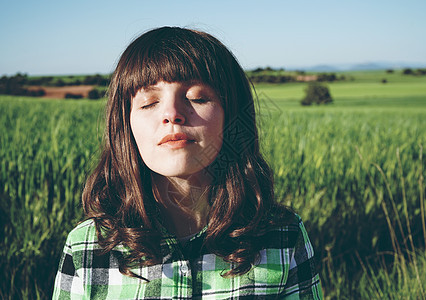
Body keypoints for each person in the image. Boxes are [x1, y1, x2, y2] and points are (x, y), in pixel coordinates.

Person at [52, 26, 322, 299]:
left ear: (232, 117)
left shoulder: (283, 236)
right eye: (148, 103)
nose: (172, 114)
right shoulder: (87, 247)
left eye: (196, 98)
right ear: (125, 126)